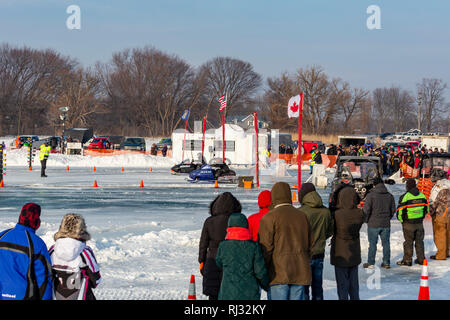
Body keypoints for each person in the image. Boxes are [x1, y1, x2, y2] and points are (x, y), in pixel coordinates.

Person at [258, 182, 312, 300]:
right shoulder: (302, 216)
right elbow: (309, 244)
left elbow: (265, 248)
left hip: (278, 273)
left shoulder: (269, 218)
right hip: (300, 270)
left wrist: (264, 271)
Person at [0, 203, 53, 300]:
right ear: (37, 221)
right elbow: (44, 279)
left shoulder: (2, 236)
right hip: (24, 296)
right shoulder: (36, 243)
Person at [215, 213, 269, 300]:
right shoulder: (254, 246)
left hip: (227, 292)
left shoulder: (223, 245)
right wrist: (267, 285)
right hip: (249, 293)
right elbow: (260, 272)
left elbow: (218, 262)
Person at [199, 192, 242, 300]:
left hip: (212, 259)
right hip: (232, 260)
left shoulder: (209, 221)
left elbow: (203, 244)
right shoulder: (237, 220)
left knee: (213, 294)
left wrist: (201, 261)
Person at [49, 214, 101, 300]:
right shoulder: (84, 252)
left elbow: (46, 274)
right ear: (81, 229)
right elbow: (96, 280)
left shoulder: (53, 250)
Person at [298, 183, 333, 300]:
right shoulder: (325, 211)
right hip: (319, 253)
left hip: (304, 255)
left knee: (304, 287)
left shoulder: (300, 212)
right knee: (317, 287)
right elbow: (330, 230)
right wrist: (321, 237)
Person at [330, 186, 364, 300]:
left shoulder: (337, 214)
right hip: (354, 252)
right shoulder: (359, 213)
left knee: (342, 285)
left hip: (340, 252)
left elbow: (331, 229)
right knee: (354, 284)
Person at [362, 177, 396, 269]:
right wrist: (388, 218)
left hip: (373, 223)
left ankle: (371, 263)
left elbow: (366, 210)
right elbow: (393, 209)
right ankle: (386, 263)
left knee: (372, 244)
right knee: (386, 244)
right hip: (385, 223)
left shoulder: (371, 195)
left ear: (374, 185)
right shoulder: (389, 195)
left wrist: (366, 220)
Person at [396, 179, 428, 266]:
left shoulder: (405, 197)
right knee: (419, 242)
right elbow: (426, 209)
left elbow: (399, 211)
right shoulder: (422, 195)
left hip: (408, 224)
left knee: (408, 242)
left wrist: (402, 221)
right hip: (419, 223)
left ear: (407, 186)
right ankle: (421, 259)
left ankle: (407, 260)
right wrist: (421, 217)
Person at [429, 188, 449, 260]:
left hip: (441, 215)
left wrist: (431, 212)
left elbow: (435, 203)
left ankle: (441, 255)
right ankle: (446, 252)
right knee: (447, 234)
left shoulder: (442, 191)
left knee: (440, 236)